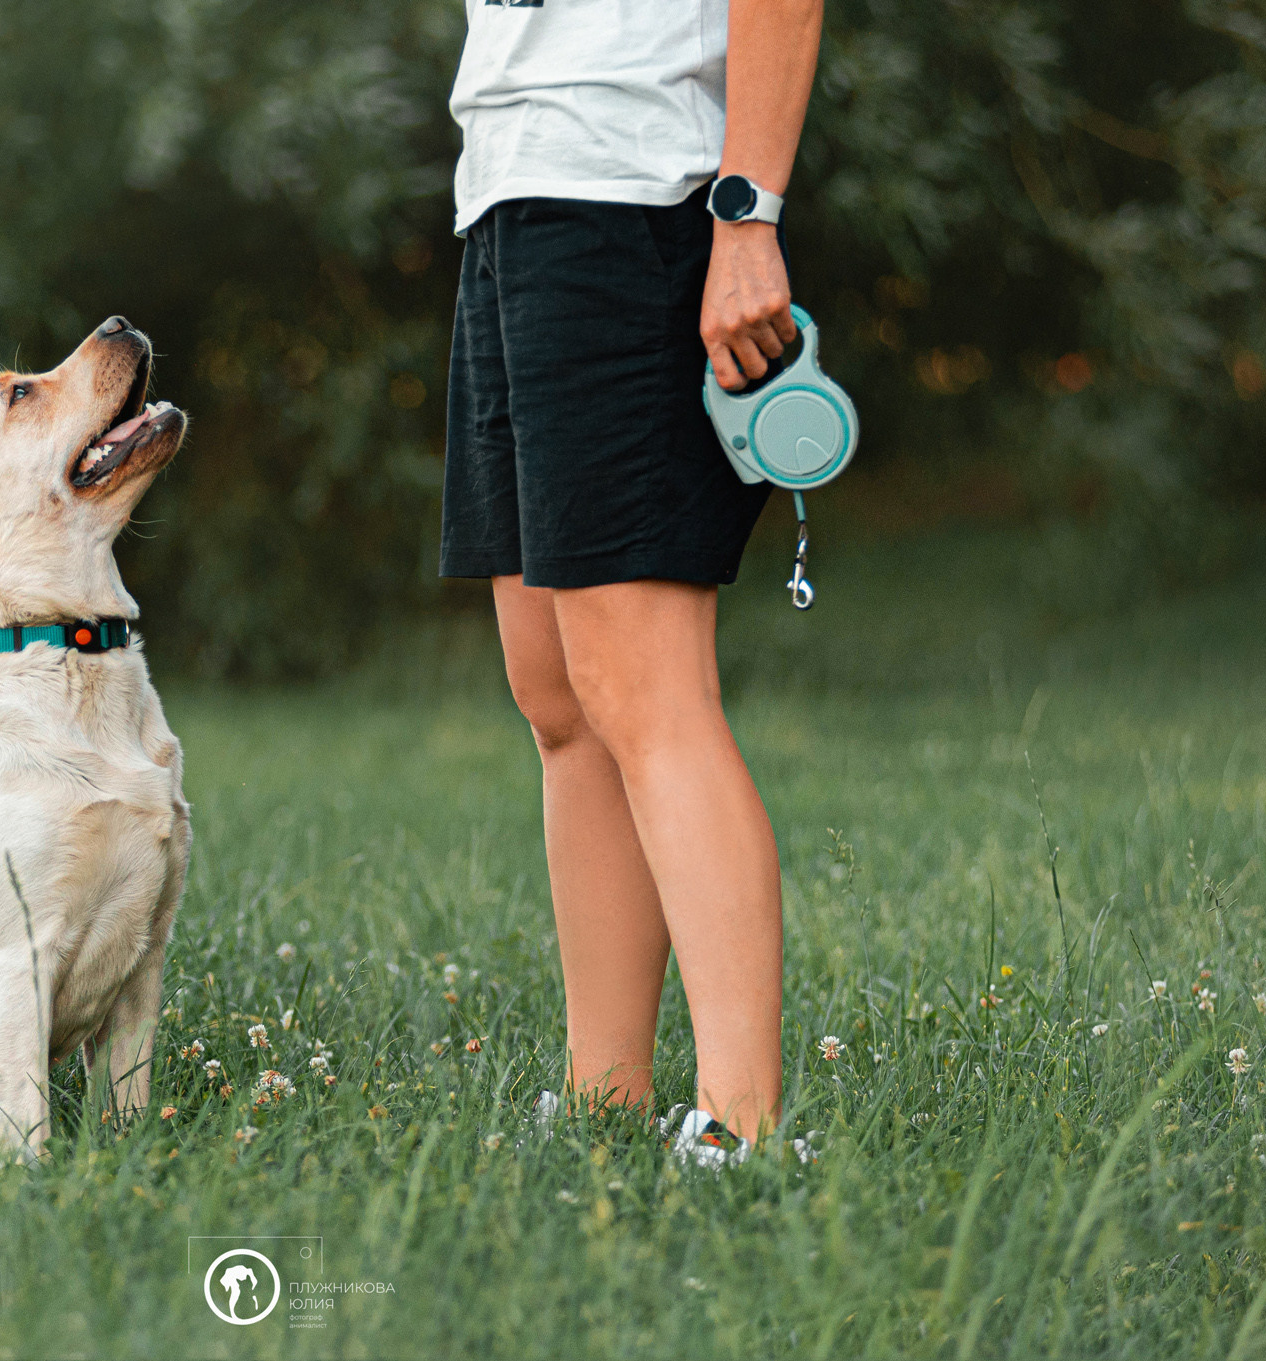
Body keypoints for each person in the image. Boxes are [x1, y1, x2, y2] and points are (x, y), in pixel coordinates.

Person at [440, 0, 823, 1161]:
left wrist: (747, 215)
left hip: (637, 200)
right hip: (511, 195)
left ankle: (742, 1126)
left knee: (647, 691)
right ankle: (603, 1099)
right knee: (558, 696)